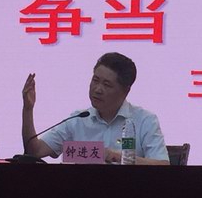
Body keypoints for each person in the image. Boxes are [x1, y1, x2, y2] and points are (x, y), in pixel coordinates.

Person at [22, 52, 170, 165]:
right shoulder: (78, 119)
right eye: (95, 80)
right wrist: (28, 109)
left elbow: (163, 165)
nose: (98, 89)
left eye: (107, 85)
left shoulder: (144, 121)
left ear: (125, 91)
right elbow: (35, 150)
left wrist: (118, 157)